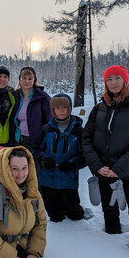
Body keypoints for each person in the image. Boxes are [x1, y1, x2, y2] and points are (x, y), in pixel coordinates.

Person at [81, 65, 129, 258]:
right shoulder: (99, 108)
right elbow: (86, 139)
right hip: (104, 170)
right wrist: (97, 166)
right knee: (109, 210)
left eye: (117, 78)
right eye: (109, 79)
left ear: (125, 80)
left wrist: (119, 169)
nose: (113, 83)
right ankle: (110, 248)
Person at [35, 94, 86, 222]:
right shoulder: (46, 130)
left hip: (68, 179)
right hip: (48, 179)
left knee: (73, 212)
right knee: (54, 213)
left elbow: (85, 155)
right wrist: (43, 159)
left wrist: (72, 164)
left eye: (64, 107)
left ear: (69, 108)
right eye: (57, 107)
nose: (61, 110)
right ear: (53, 110)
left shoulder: (78, 131)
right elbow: (35, 149)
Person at [9, 66, 51, 152]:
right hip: (18, 140)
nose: (27, 81)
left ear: (34, 80)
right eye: (24, 78)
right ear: (20, 80)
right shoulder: (15, 96)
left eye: (30, 78)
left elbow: (50, 119)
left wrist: (44, 139)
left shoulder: (42, 97)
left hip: (35, 142)